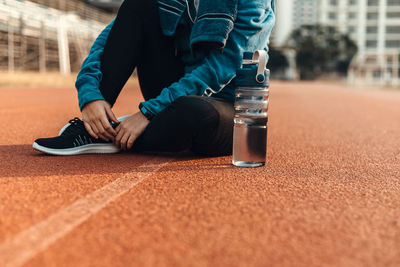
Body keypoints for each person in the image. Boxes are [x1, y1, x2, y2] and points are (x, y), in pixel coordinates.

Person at [33, 0, 275, 156]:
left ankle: (114, 132)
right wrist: (90, 95)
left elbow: (223, 67)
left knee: (194, 112)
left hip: (226, 107)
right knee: (138, 5)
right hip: (173, 93)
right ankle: (95, 126)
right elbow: (112, 37)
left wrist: (149, 112)